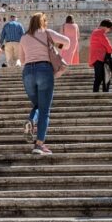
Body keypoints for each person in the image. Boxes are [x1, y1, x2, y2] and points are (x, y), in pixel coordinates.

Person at [19, 13, 69, 157]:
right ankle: (39, 145)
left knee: (38, 106)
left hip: (28, 72)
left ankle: (31, 120)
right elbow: (67, 42)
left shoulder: (23, 37)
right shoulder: (47, 32)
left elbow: (22, 59)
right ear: (43, 22)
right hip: (44, 70)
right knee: (44, 110)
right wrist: (57, 46)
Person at [89, 20, 112, 93]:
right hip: (100, 58)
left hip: (96, 58)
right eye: (110, 29)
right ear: (106, 27)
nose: (109, 31)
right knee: (103, 77)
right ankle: (101, 94)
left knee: (99, 78)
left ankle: (96, 94)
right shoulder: (100, 32)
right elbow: (108, 46)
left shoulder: (95, 32)